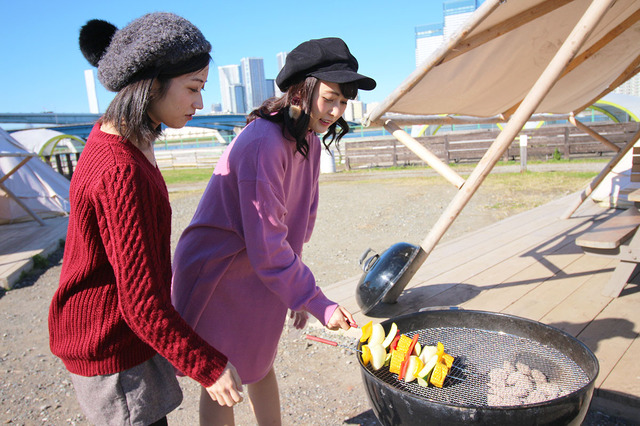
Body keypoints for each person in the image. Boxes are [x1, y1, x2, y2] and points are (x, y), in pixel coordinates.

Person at [48, 12, 243, 425]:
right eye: (193, 88)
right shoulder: (120, 168)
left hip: (122, 335)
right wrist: (208, 367)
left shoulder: (120, 138)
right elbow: (141, 304)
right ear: (151, 83)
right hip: (111, 344)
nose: (200, 103)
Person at [171, 37, 376, 425]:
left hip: (260, 265)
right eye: (330, 97)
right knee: (224, 378)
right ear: (302, 90)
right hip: (220, 271)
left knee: (261, 363)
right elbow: (267, 244)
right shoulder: (262, 141)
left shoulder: (309, 139)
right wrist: (315, 301)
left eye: (344, 102)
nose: (336, 111)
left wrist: (297, 294)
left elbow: (298, 220)